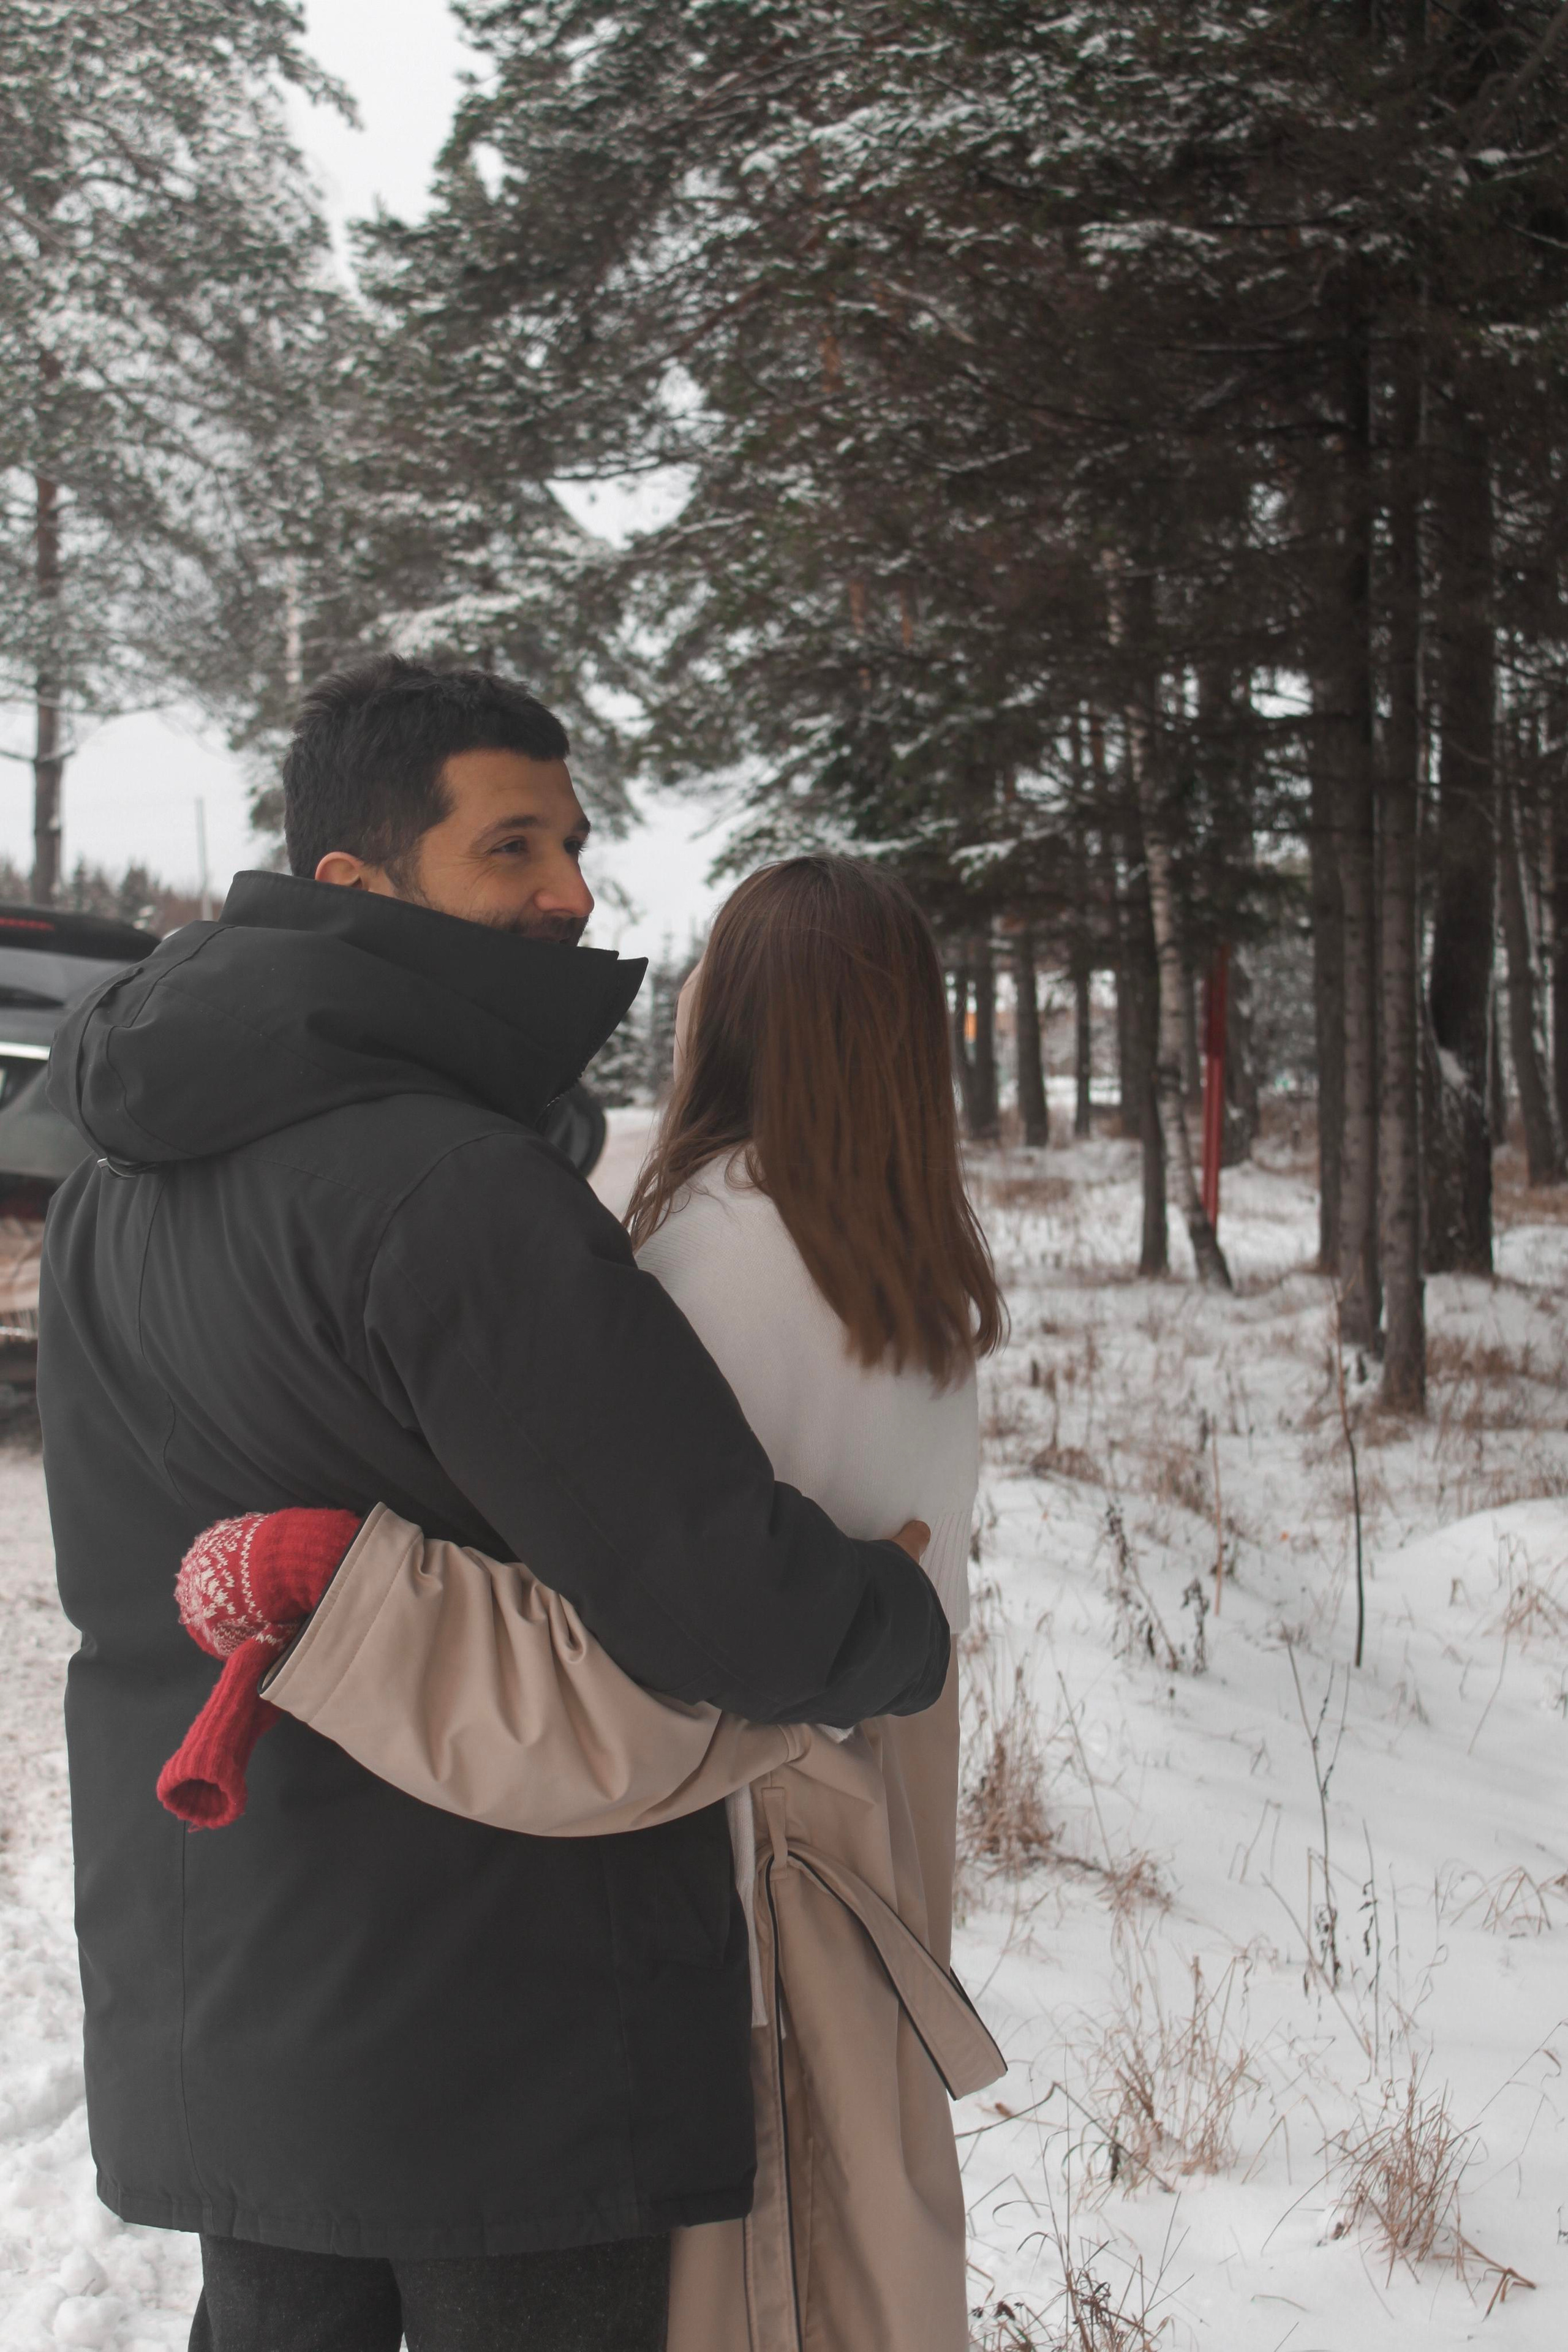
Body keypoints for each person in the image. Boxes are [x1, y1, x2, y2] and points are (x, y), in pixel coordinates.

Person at [39, 660, 949, 2352]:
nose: (570, 893)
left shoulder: (110, 1184)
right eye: (511, 847)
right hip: (497, 2014)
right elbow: (718, 1604)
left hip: (227, 1978)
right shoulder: (456, 1189)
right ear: (356, 881)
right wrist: (901, 1618)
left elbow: (122, 1571)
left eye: (575, 845)